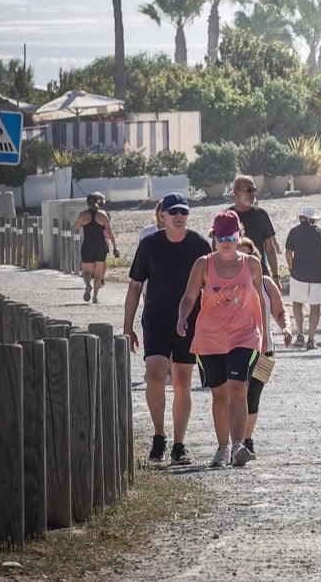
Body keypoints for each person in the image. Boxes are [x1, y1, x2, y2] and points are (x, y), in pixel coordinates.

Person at [122, 191, 211, 466]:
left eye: (183, 212)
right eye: (173, 212)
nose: (179, 217)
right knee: (154, 376)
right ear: (162, 216)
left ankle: (179, 444)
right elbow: (135, 285)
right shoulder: (150, 245)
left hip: (188, 323)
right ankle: (159, 435)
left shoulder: (200, 245)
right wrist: (128, 325)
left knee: (183, 381)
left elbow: (210, 289)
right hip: (157, 320)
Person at [178, 209, 270, 468]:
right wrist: (182, 317)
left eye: (231, 237)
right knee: (219, 393)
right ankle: (222, 448)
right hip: (210, 337)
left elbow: (259, 300)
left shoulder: (251, 264)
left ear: (239, 235)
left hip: (244, 334)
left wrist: (262, 337)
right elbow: (189, 296)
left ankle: (239, 445)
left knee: (239, 387)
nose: (226, 242)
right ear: (214, 237)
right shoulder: (203, 264)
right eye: (222, 238)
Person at [235, 236, 291, 458]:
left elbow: (279, 311)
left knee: (254, 394)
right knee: (238, 393)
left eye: (249, 255)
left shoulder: (267, 283)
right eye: (240, 255)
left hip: (266, 349)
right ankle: (238, 441)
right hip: (237, 348)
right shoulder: (230, 283)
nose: (245, 259)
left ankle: (247, 440)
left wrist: (285, 327)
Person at [285, 207, 321, 348]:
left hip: (298, 273)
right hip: (318, 274)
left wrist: (291, 268)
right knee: (315, 306)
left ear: (301, 218)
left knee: (297, 303)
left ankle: (300, 335)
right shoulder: (320, 232)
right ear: (312, 219)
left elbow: (288, 253)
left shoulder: (294, 232)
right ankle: (311, 339)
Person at [229, 175, 282, 282]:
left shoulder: (261, 214)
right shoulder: (226, 217)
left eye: (254, 190)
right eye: (249, 190)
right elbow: (216, 248)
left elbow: (270, 248)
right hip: (234, 277)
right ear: (236, 192)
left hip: (260, 275)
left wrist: (276, 276)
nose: (253, 194)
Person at [74, 191, 118, 303]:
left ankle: (88, 285)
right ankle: (95, 297)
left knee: (86, 272)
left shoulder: (83, 215)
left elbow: (76, 227)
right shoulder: (103, 215)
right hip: (101, 246)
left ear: (87, 203)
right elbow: (110, 232)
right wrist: (115, 247)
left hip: (88, 246)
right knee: (98, 274)